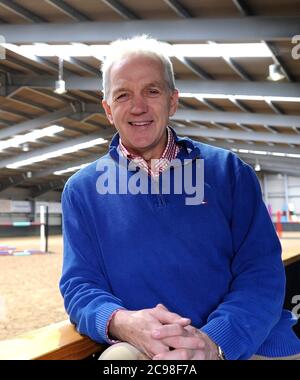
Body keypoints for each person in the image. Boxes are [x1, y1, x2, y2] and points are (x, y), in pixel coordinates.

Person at [60, 35, 300, 360]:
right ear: (108, 109)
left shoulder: (229, 172)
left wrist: (216, 344)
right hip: (147, 348)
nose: (138, 106)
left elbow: (261, 272)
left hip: (248, 341)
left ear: (173, 101)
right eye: (123, 95)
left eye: (152, 91)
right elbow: (80, 285)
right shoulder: (81, 191)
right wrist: (121, 321)